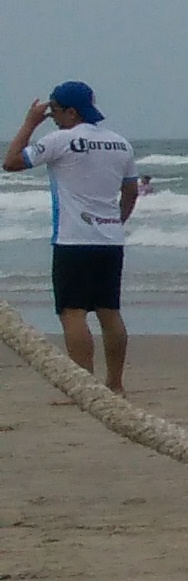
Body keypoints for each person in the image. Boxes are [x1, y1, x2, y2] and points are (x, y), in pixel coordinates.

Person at [9, 80, 143, 395]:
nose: (51, 117)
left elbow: (12, 162)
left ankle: (85, 389)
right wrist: (117, 220)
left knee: (72, 312)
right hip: (109, 239)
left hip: (73, 238)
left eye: (54, 111)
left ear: (71, 111)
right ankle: (115, 384)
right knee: (109, 311)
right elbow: (131, 189)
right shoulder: (120, 143)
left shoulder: (61, 140)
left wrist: (29, 123)